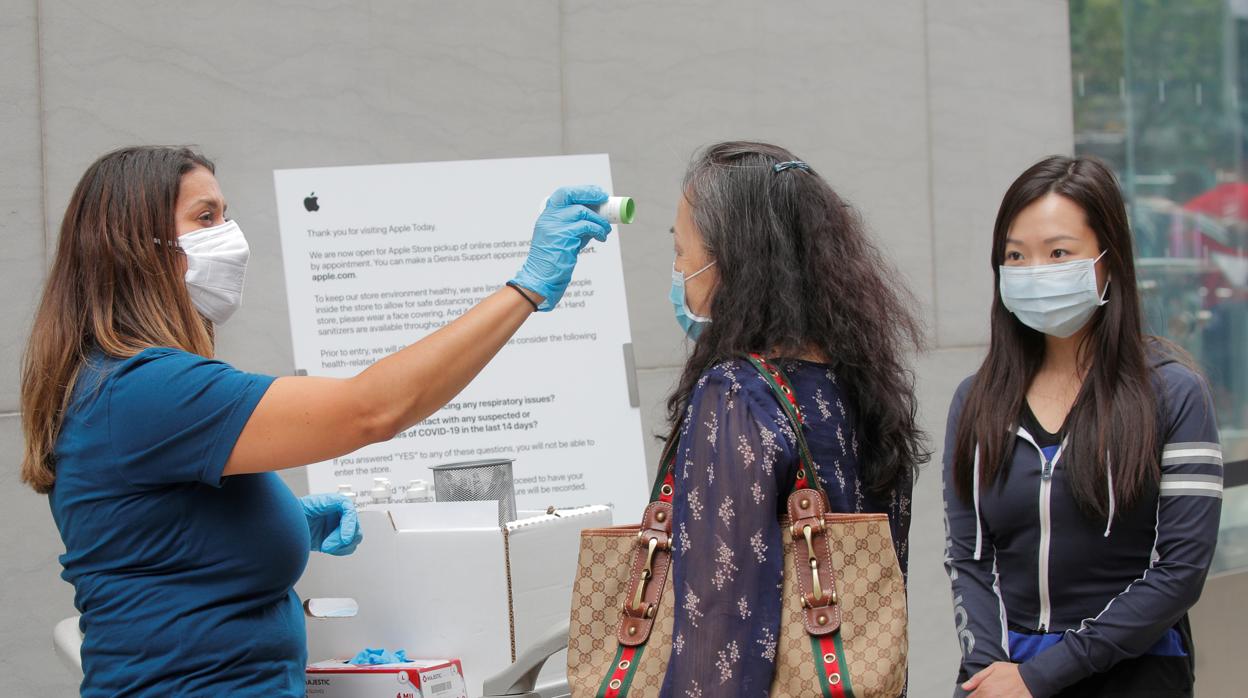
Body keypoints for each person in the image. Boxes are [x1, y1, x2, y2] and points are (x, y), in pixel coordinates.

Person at [20, 146, 614, 697]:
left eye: (226, 214)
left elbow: (154, 544)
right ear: (136, 245)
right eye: (205, 219)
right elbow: (370, 410)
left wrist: (274, 525)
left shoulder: (120, 383)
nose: (230, 237)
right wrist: (526, 287)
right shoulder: (146, 389)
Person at [942, 155, 1222, 697]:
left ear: (1108, 261)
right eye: (1015, 257)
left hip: (1135, 672)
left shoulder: (1174, 393)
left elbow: (1181, 571)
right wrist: (989, 672)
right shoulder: (976, 401)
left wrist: (1042, 676)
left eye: (1059, 253)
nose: (1034, 271)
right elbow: (969, 558)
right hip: (1003, 676)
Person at [659, 141, 926, 696]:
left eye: (683, 250)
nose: (679, 269)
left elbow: (720, 628)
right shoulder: (863, 382)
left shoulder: (735, 392)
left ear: (733, 260)